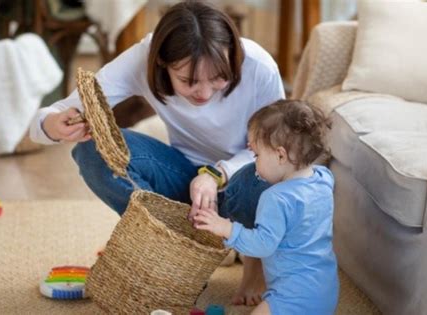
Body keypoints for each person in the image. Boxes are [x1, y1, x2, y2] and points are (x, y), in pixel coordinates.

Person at [29, 0, 284, 304]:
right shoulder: (144, 57)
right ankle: (179, 244)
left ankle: (252, 261)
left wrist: (216, 174)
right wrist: (52, 125)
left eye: (219, 77)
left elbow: (279, 150)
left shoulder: (259, 67)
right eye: (188, 81)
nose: (204, 92)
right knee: (91, 150)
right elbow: (49, 117)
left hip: (244, 184)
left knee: (270, 169)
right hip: (182, 184)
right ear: (162, 63)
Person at [194, 100, 339, 315]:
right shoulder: (323, 178)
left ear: (281, 155)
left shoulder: (275, 197)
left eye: (257, 155)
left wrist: (225, 227)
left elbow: (263, 245)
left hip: (292, 294)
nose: (254, 163)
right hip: (326, 288)